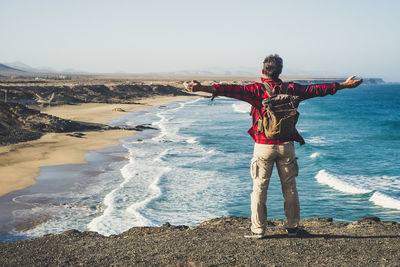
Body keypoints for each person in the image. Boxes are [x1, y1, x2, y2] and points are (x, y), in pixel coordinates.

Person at [185, 54, 363, 238]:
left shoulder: (255, 90)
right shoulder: (292, 88)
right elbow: (317, 89)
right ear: (280, 71)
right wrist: (343, 85)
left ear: (263, 71)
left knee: (259, 188)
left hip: (263, 146)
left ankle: (258, 229)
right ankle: (292, 227)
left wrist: (201, 87)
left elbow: (228, 89)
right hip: (287, 145)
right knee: (290, 188)